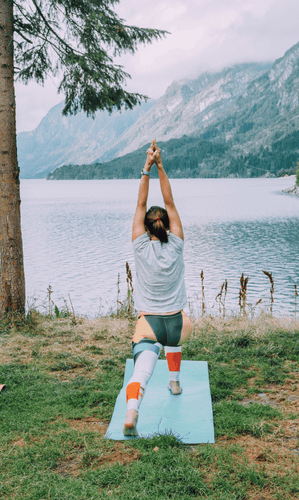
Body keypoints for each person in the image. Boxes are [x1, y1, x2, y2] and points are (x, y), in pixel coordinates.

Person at [123, 140, 193, 436]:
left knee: (142, 371)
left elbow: (141, 204)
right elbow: (171, 203)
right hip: (178, 324)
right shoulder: (176, 244)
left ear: (146, 226)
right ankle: (174, 382)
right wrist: (162, 166)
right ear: (165, 225)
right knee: (174, 340)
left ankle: (131, 414)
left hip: (149, 324)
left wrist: (147, 168)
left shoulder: (140, 246)